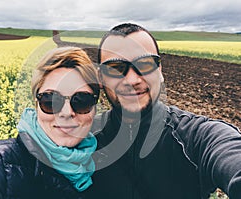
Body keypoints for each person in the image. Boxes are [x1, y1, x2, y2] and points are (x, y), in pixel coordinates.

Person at [86, 23, 241, 199]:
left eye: (144, 64)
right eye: (115, 68)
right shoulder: (83, 139)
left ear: (159, 71)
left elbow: (231, 154)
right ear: (100, 77)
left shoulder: (195, 137)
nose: (131, 80)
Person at [0, 47, 100, 199]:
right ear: (36, 105)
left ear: (95, 108)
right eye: (50, 100)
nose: (66, 113)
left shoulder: (102, 167)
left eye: (82, 101)